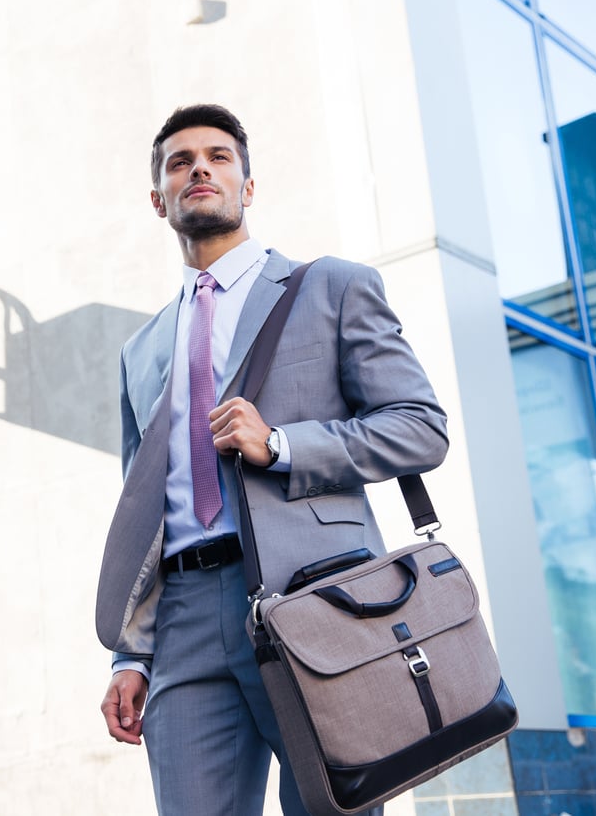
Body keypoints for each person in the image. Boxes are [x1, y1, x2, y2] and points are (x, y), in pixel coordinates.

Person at [95, 104, 449, 816]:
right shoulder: (141, 351)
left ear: (248, 187)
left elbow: (420, 428)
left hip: (316, 597)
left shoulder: (332, 288)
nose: (200, 167)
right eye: (179, 160)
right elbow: (145, 508)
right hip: (185, 620)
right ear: (158, 199)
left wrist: (284, 444)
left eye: (220, 157)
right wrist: (132, 653)